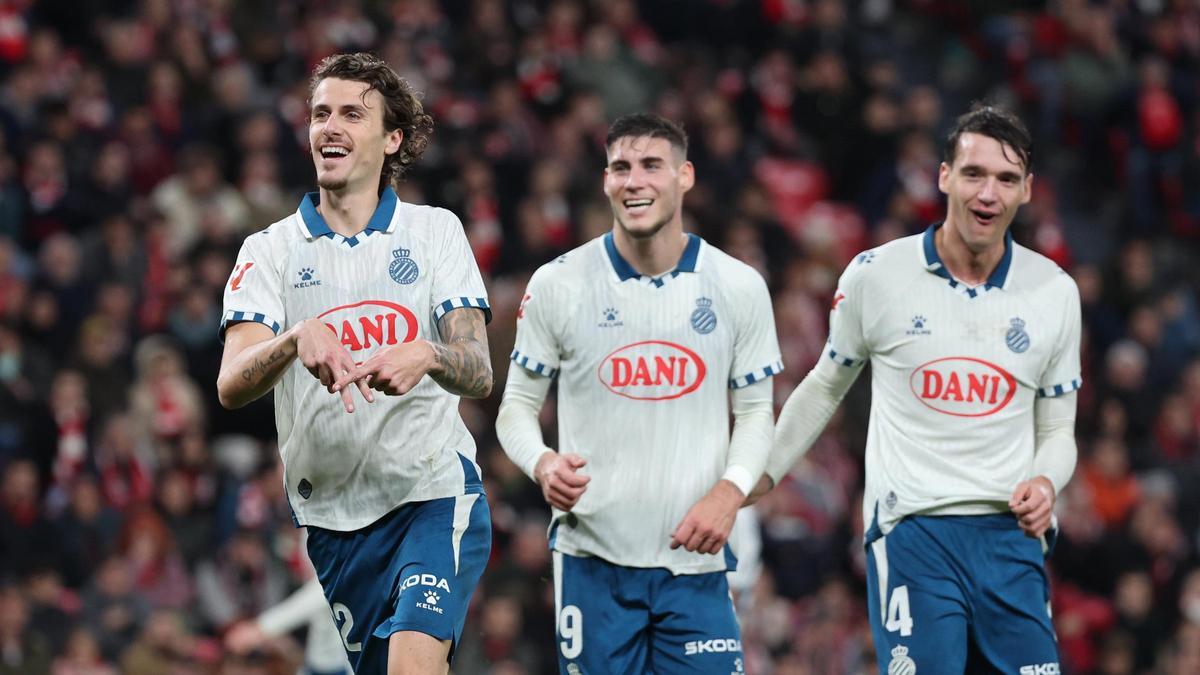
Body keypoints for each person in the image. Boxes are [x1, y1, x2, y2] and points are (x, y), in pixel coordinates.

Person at [753, 106, 1080, 673]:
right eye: (974, 174)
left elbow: (1056, 429)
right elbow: (825, 387)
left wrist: (1047, 480)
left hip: (1011, 538)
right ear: (944, 176)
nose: (988, 193)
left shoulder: (1054, 291)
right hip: (914, 532)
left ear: (1026, 190)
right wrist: (758, 477)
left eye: (1006, 179)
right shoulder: (877, 274)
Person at [216, 52, 493, 675]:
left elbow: (478, 368)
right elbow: (231, 383)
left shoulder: (434, 233)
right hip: (334, 521)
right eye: (320, 114)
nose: (329, 127)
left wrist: (430, 353)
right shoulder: (269, 250)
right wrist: (293, 340)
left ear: (392, 139)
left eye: (350, 114)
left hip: (431, 494)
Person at [496, 113, 781, 674]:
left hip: (697, 565)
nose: (634, 181)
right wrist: (542, 462)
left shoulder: (738, 286)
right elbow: (516, 408)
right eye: (620, 168)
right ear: (605, 180)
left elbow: (755, 413)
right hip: (592, 562)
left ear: (685, 176)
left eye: (652, 165)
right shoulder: (558, 284)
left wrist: (730, 492)